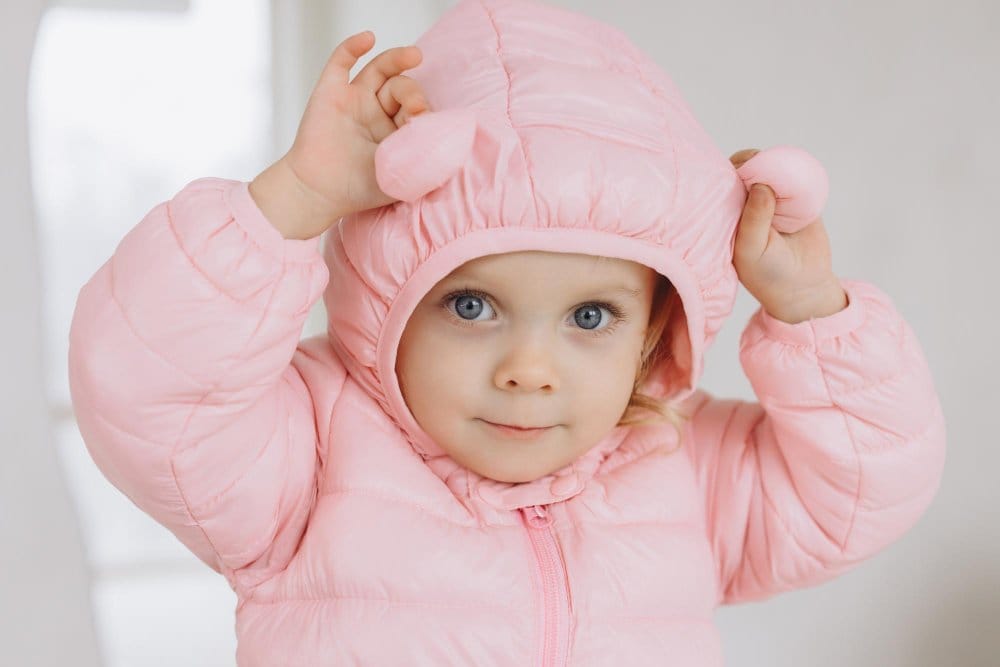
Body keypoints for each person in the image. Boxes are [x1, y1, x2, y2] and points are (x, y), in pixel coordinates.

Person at [67, 0, 947, 664]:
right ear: (388, 298)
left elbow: (864, 489)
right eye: (472, 305)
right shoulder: (309, 452)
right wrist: (296, 199)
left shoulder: (681, 464)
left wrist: (809, 310)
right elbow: (148, 385)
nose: (530, 368)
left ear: (653, 332)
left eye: (590, 316)